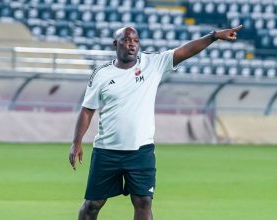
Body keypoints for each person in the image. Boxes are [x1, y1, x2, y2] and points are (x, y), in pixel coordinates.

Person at [69, 24, 243, 220]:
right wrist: (77, 143)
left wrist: (213, 36)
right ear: (115, 44)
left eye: (135, 41)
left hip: (141, 151)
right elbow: (87, 110)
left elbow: (184, 51)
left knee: (144, 202)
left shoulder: (152, 63)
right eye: (126, 40)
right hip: (107, 151)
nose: (131, 45)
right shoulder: (101, 74)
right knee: (92, 205)